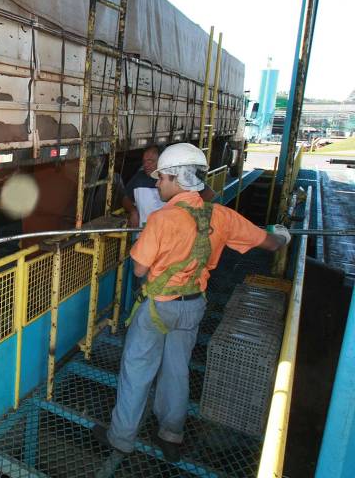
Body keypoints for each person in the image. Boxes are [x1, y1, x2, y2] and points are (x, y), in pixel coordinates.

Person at [93, 143, 291, 462]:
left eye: (161, 178)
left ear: (175, 178)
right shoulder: (222, 215)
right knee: (177, 369)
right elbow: (269, 242)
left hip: (158, 307)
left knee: (138, 370)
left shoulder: (161, 219)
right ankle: (171, 434)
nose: (157, 183)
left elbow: (141, 269)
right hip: (193, 306)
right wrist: (283, 235)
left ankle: (121, 438)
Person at [123, 144, 215, 228]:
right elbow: (125, 198)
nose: (146, 165)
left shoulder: (181, 182)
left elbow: (209, 193)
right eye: (144, 161)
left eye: (150, 161)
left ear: (162, 161)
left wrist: (186, 216)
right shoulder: (139, 178)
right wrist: (133, 211)